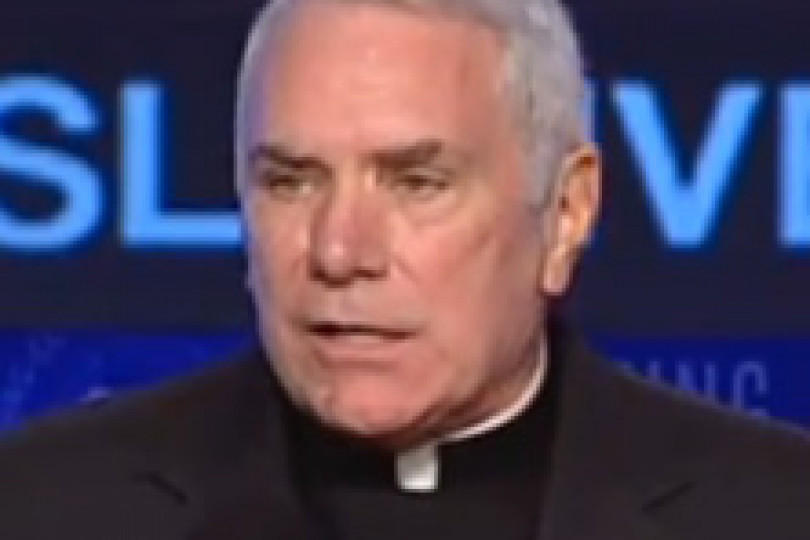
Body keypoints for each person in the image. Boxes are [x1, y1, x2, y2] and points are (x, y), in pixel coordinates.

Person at [1, 0, 809, 538]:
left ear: (567, 213)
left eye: (417, 183)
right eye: (292, 181)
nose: (339, 252)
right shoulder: (43, 504)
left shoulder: (775, 509)